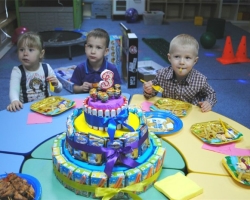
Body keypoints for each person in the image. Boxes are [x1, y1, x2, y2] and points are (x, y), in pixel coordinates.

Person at [143, 34, 217, 112]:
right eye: (177, 57)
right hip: (167, 113)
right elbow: (151, 94)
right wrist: (148, 91)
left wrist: (208, 103)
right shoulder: (162, 74)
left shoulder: (200, 80)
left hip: (190, 115)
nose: (181, 62)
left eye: (187, 58)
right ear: (169, 58)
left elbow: (211, 94)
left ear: (195, 61)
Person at [7, 32, 62, 112]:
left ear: (41, 54)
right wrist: (14, 100)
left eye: (30, 50)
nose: (25, 53)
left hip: (47, 106)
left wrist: (56, 84)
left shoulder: (46, 68)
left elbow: (57, 90)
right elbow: (14, 89)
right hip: (27, 108)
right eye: (21, 50)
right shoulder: (17, 71)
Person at [70, 28, 122, 93]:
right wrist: (81, 88)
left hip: (106, 101)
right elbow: (74, 88)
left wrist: (108, 88)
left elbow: (118, 88)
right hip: (85, 100)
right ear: (85, 48)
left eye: (98, 47)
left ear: (106, 51)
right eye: (90, 46)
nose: (93, 51)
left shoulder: (111, 69)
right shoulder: (80, 68)